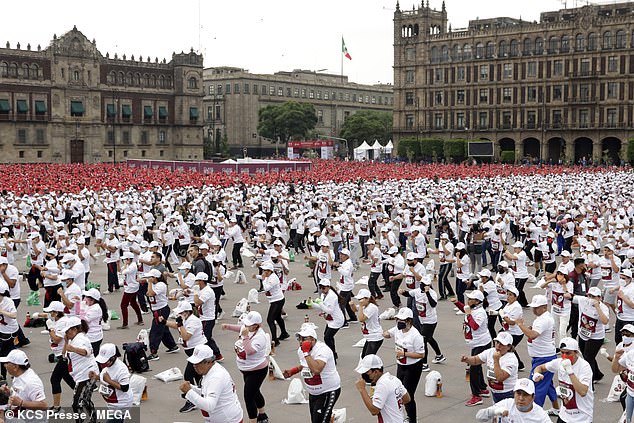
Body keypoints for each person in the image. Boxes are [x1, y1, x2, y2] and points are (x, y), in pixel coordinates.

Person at [281, 327, 341, 423]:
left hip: (327, 391)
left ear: (313, 339)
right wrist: (293, 371)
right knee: (315, 419)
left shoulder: (323, 350)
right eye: (299, 339)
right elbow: (305, 365)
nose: (301, 342)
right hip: (313, 392)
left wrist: (306, 353)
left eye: (304, 339)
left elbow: (317, 369)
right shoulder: (301, 351)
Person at [222, 311, 270, 423]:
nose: (246, 326)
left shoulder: (260, 337)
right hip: (246, 369)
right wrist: (227, 326)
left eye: (249, 325)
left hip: (257, 370)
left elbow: (249, 351)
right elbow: (240, 328)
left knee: (248, 397)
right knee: (255, 392)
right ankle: (262, 414)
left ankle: (253, 420)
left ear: (256, 325)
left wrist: (244, 337)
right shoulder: (247, 328)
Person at [533, 337, 594, 423]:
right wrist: (537, 374)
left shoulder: (584, 367)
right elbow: (540, 367)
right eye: (562, 352)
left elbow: (583, 392)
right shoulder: (559, 362)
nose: (564, 356)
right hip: (564, 415)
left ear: (576, 352)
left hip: (582, 417)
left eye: (568, 353)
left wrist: (570, 371)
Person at [516, 294, 559, 414]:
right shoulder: (543, 318)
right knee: (548, 385)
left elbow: (532, 335)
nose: (533, 309)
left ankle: (533, 414)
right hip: (543, 356)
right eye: (533, 307)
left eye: (536, 307)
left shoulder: (543, 320)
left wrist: (520, 325)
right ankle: (556, 408)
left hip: (543, 358)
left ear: (544, 307)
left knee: (536, 387)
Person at [179, 344, 244, 423]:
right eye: (193, 363)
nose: (194, 366)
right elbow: (206, 392)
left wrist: (189, 392)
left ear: (208, 362)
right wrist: (192, 388)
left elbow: (209, 406)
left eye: (197, 363)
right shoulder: (210, 371)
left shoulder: (216, 378)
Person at [163, 301, 207, 413]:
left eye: (180, 313)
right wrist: (164, 322)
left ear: (187, 312)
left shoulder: (193, 321)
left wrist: (180, 324)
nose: (178, 315)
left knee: (188, 375)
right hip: (192, 351)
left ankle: (191, 400)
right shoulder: (186, 319)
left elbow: (186, 336)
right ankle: (201, 395)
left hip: (198, 351)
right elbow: (177, 326)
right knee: (198, 376)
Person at [382, 307, 425, 422]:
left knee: (408, 395)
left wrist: (405, 353)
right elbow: (388, 334)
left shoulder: (415, 335)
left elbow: (421, 355)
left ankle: (412, 419)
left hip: (413, 367)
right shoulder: (397, 329)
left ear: (409, 321)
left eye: (402, 320)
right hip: (401, 365)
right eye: (397, 319)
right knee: (399, 392)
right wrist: (384, 333)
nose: (399, 322)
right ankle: (404, 416)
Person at [451, 290, 492, 406]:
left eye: (470, 299)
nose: (468, 301)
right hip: (476, 343)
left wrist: (468, 314)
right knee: (477, 367)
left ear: (477, 301)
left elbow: (474, 326)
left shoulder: (480, 313)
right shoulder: (473, 309)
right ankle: (482, 388)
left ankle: (476, 396)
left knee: (473, 369)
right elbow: (465, 309)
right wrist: (457, 303)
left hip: (481, 343)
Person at [399, 275, 446, 370]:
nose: (421, 285)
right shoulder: (417, 291)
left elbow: (433, 304)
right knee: (429, 338)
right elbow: (409, 294)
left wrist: (427, 293)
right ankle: (439, 355)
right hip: (422, 320)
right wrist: (403, 292)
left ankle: (424, 364)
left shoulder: (432, 293)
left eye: (423, 284)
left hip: (430, 320)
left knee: (423, 340)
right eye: (421, 284)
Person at [461, 332, 518, 403]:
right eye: (497, 342)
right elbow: (476, 360)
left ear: (509, 347)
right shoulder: (491, 352)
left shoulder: (511, 360)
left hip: (508, 393)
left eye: (502, 344)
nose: (498, 346)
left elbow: (500, 378)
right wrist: (467, 359)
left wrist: (496, 360)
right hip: (495, 392)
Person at [62, 316, 99, 422]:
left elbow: (86, 351)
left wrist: (73, 349)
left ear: (75, 329)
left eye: (67, 331)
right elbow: (64, 355)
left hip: (87, 374)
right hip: (80, 375)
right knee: (84, 401)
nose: (66, 334)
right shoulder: (73, 339)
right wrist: (66, 342)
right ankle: (92, 420)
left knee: (78, 403)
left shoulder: (80, 339)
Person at [354, 354, 410, 423]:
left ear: (376, 372)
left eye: (367, 372)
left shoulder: (382, 385)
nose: (364, 375)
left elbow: (374, 411)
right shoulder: (394, 379)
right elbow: (407, 398)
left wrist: (362, 389)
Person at [573, 286, 610, 382]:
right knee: (587, 356)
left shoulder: (603, 307)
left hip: (596, 337)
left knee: (588, 358)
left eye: (594, 296)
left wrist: (597, 307)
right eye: (589, 296)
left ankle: (590, 381)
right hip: (582, 334)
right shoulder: (583, 300)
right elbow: (570, 297)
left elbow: (605, 321)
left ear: (599, 298)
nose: (591, 299)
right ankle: (598, 374)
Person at [43, 301, 73, 412]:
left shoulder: (62, 322)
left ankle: (57, 407)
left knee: (54, 379)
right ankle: (80, 395)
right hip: (61, 354)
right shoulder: (59, 320)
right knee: (67, 377)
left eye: (52, 312)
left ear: (57, 313)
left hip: (63, 355)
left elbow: (56, 339)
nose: (50, 314)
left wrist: (50, 329)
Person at [0, 349, 47, 420]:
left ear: (15, 367)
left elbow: (44, 405)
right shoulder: (18, 375)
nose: (4, 365)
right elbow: (22, 392)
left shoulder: (31, 382)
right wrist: (9, 392)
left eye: (7, 363)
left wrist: (21, 403)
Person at [475, 378, 550, 422]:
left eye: (525, 394)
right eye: (518, 393)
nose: (521, 398)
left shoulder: (540, 415)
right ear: (514, 393)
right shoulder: (506, 404)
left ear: (533, 397)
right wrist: (495, 411)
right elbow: (479, 416)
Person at [91, 343, 133, 422]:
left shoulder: (121, 369)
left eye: (105, 361)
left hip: (121, 404)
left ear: (113, 357)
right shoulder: (107, 366)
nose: (102, 364)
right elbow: (104, 377)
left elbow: (125, 388)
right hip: (112, 404)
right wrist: (96, 377)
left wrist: (109, 381)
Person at [145, 268, 179, 361]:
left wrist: (149, 283)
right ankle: (172, 346)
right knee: (164, 329)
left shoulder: (161, 285)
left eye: (151, 277)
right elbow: (148, 293)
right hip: (157, 309)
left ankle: (153, 353)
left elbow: (151, 293)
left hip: (161, 310)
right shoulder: (154, 285)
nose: (149, 279)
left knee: (155, 332)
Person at [311, 279, 344, 362]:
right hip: (330, 320)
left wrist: (320, 303)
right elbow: (322, 306)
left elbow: (329, 310)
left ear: (328, 287)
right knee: (328, 336)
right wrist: (312, 304)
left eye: (324, 288)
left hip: (337, 320)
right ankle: (333, 354)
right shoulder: (323, 295)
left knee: (327, 337)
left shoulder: (332, 296)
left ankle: (332, 355)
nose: (322, 289)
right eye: (320, 287)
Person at [257, 261, 289, 346]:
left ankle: (275, 340)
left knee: (270, 320)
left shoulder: (273, 278)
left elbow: (267, 288)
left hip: (277, 301)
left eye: (266, 271)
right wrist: (257, 277)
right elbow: (263, 277)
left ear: (270, 271)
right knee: (278, 317)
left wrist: (263, 279)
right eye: (263, 271)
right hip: (275, 300)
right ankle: (284, 333)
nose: (264, 272)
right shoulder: (268, 276)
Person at [538, 270, 573, 347]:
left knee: (562, 330)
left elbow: (568, 296)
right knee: (555, 328)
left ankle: (564, 346)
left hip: (565, 311)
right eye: (558, 274)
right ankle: (558, 345)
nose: (559, 276)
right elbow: (541, 286)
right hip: (555, 310)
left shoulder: (570, 284)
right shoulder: (554, 284)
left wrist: (564, 285)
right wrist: (550, 281)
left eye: (561, 274)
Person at [193, 272, 223, 361]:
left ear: (202, 281)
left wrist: (194, 293)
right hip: (203, 317)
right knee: (206, 337)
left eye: (197, 280)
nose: (196, 282)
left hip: (208, 318)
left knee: (205, 338)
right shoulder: (201, 289)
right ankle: (216, 354)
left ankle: (214, 354)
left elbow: (197, 302)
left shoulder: (208, 291)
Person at [351, 288, 384, 357]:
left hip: (375, 337)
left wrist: (360, 306)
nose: (359, 301)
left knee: (368, 358)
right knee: (364, 357)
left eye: (361, 299)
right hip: (369, 337)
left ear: (367, 299)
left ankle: (378, 367)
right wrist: (352, 305)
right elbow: (355, 310)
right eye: (359, 299)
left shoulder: (372, 307)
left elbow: (361, 319)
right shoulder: (364, 306)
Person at [500, 287, 526, 371]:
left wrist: (502, 316)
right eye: (507, 294)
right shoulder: (508, 304)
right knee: (510, 348)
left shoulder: (516, 307)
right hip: (508, 330)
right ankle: (519, 364)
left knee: (507, 348)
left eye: (510, 295)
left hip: (515, 333)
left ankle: (516, 364)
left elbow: (511, 322)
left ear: (515, 297)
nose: (508, 296)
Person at [119, 251, 143, 329]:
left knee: (123, 305)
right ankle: (140, 319)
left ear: (128, 259)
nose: (124, 261)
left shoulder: (132, 266)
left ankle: (125, 323)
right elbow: (121, 270)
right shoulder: (131, 265)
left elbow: (124, 272)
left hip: (131, 288)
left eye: (125, 260)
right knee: (133, 303)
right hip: (131, 286)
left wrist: (125, 265)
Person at [82, 288, 108, 355]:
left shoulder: (96, 309)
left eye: (86, 297)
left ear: (92, 299)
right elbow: (78, 314)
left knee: (92, 357)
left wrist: (80, 306)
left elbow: (83, 319)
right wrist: (77, 304)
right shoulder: (89, 306)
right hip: (90, 335)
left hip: (94, 337)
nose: (84, 299)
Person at [504, 241, 530, 307]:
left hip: (522, 275)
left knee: (517, 290)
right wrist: (506, 255)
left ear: (520, 248)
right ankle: (524, 302)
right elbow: (511, 259)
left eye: (516, 248)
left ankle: (517, 303)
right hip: (517, 274)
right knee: (520, 289)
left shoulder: (522, 254)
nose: (514, 249)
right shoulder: (516, 253)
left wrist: (507, 251)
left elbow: (513, 257)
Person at [0, 280, 17, 380]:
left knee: (4, 354)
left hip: (9, 331)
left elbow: (14, 315)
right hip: (1, 329)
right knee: (9, 351)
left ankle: (4, 376)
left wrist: (2, 311)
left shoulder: (8, 302)